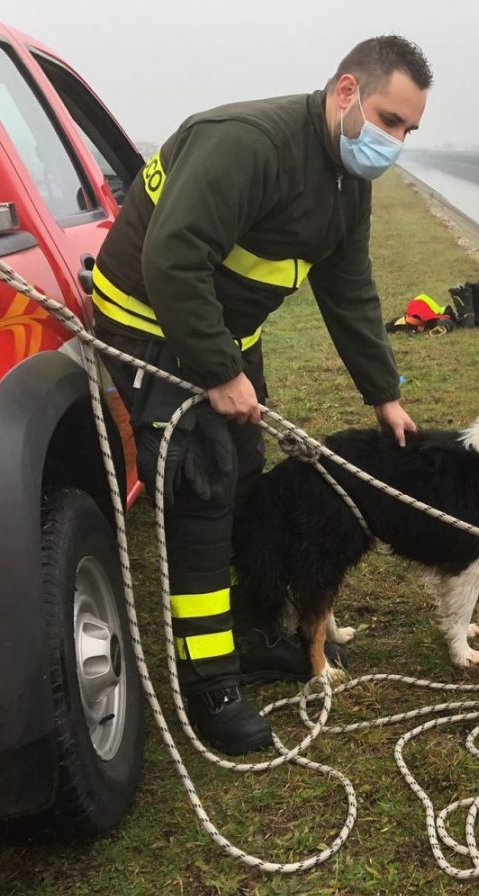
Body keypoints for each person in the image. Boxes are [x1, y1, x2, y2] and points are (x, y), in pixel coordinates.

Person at [91, 37, 431, 755]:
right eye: (388, 119)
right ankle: (209, 685)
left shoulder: (347, 180)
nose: (395, 142)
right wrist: (218, 370)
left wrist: (383, 394)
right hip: (149, 324)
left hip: (222, 331)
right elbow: (171, 258)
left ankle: (250, 634)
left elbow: (350, 288)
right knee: (202, 488)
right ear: (346, 92)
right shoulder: (248, 144)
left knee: (248, 479)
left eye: (408, 130)